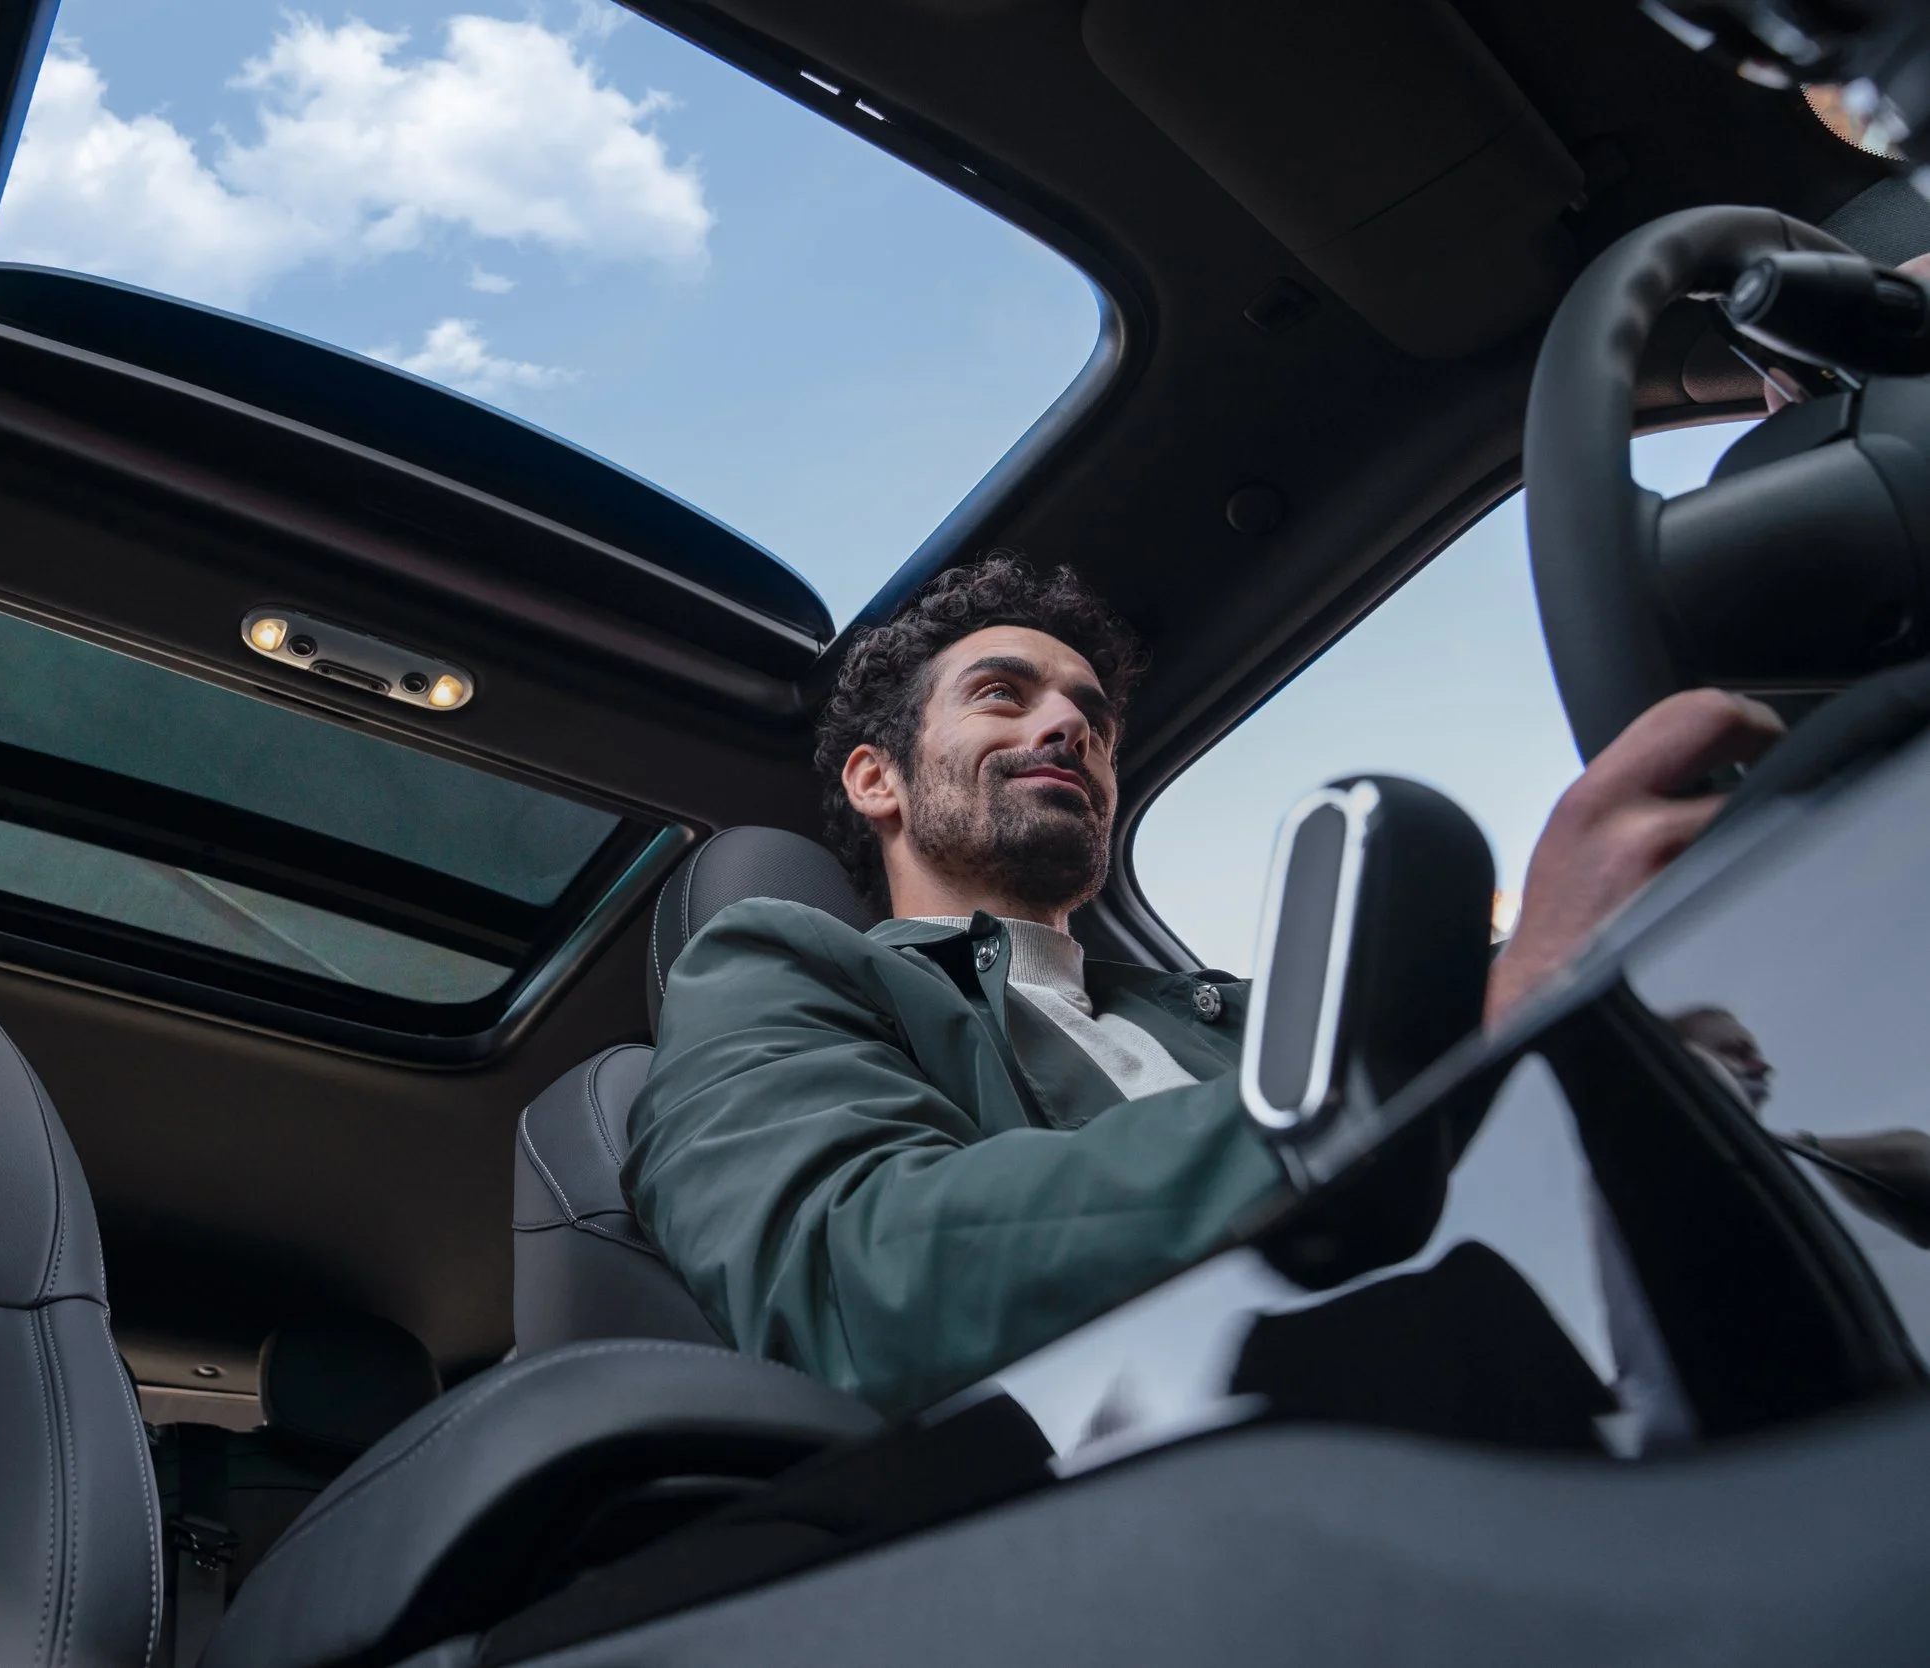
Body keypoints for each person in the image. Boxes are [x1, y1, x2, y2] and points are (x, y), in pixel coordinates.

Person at [622, 553, 1784, 1415]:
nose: (1068, 725)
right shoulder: (771, 964)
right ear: (877, 778)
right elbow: (844, 1277)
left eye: (1093, 716)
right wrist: (1398, 1076)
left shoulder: (1219, 1009)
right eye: (1002, 694)